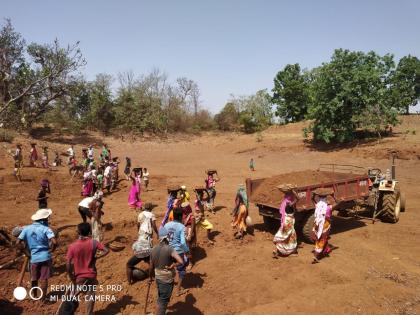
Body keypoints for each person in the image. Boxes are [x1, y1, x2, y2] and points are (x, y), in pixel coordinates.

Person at [66, 222, 109, 315]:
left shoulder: (72, 246)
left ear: (78, 232)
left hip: (78, 277)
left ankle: (68, 312)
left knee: (71, 297)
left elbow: (68, 264)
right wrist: (97, 257)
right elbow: (106, 250)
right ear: (89, 231)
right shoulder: (94, 242)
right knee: (90, 296)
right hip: (91, 275)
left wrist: (71, 276)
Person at [17, 208, 57, 300]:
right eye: (47, 219)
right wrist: (51, 250)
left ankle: (34, 295)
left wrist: (26, 253)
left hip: (33, 258)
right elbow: (54, 242)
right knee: (44, 279)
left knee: (34, 278)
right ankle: (42, 299)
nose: (48, 221)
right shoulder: (46, 229)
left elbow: (17, 242)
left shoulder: (26, 229)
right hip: (45, 257)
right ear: (43, 220)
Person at [149, 227, 184, 315]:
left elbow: (151, 267)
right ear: (167, 237)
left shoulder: (153, 249)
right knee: (163, 302)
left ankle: (159, 309)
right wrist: (173, 265)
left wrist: (150, 277)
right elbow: (181, 261)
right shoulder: (169, 249)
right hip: (167, 279)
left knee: (161, 296)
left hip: (158, 277)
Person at [126, 203, 158, 284]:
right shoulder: (151, 214)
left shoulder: (140, 214)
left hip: (141, 241)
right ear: (150, 208)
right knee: (150, 261)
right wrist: (157, 233)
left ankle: (129, 282)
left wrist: (139, 233)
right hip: (147, 242)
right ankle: (151, 277)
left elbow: (138, 225)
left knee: (128, 265)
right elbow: (154, 225)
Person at [164, 207, 191, 297]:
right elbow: (183, 242)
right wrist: (187, 252)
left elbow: (162, 238)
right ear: (180, 217)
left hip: (167, 250)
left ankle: (167, 286)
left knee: (168, 267)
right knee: (182, 269)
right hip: (177, 252)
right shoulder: (182, 227)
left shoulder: (167, 225)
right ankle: (178, 290)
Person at [273, 185, 299, 257]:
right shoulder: (289, 203)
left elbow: (296, 199)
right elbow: (297, 199)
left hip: (286, 222)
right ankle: (290, 251)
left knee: (284, 236)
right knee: (290, 236)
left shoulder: (286, 202)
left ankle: (278, 250)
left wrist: (292, 192)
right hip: (288, 222)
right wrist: (293, 192)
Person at [312, 188, 335, 264]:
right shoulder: (328, 208)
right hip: (325, 225)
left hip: (317, 224)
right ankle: (316, 256)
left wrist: (314, 195)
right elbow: (339, 202)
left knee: (320, 238)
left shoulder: (317, 206)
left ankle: (324, 251)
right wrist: (333, 196)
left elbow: (312, 200)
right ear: (326, 198)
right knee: (322, 239)